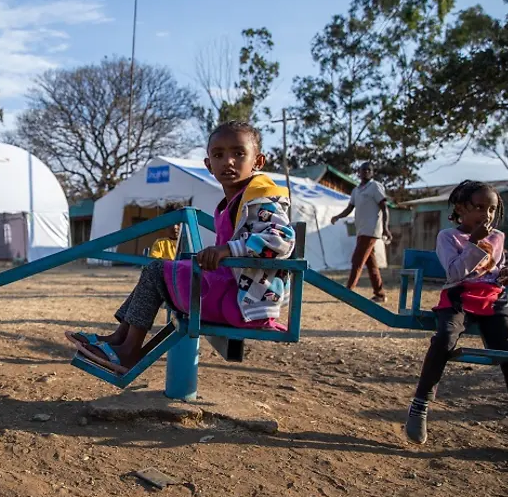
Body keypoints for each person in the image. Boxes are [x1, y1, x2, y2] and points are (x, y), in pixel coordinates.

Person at [65, 121, 295, 373]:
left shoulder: (262, 199)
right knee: (157, 269)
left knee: (157, 271)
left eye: (239, 153)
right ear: (209, 165)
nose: (228, 162)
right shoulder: (235, 200)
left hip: (245, 303)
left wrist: (228, 250)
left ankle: (129, 351)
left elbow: (282, 239)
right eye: (218, 155)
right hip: (231, 292)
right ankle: (119, 339)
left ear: (258, 161)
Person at [404, 180, 508, 463]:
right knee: (444, 339)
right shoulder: (448, 237)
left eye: (492, 209)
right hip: (459, 296)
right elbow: (456, 273)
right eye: (480, 207)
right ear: (461, 208)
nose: (487, 215)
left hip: (493, 300)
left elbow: (495, 269)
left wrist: (507, 272)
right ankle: (420, 405)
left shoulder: (498, 237)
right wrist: (473, 243)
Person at [331, 162, 391, 302]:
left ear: (372, 173)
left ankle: (348, 292)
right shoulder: (356, 190)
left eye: (369, 170)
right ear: (359, 172)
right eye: (363, 170)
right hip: (361, 230)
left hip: (371, 230)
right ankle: (380, 294)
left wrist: (385, 228)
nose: (366, 172)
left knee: (357, 260)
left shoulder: (375, 187)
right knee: (371, 264)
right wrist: (338, 216)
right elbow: (349, 208)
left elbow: (384, 208)